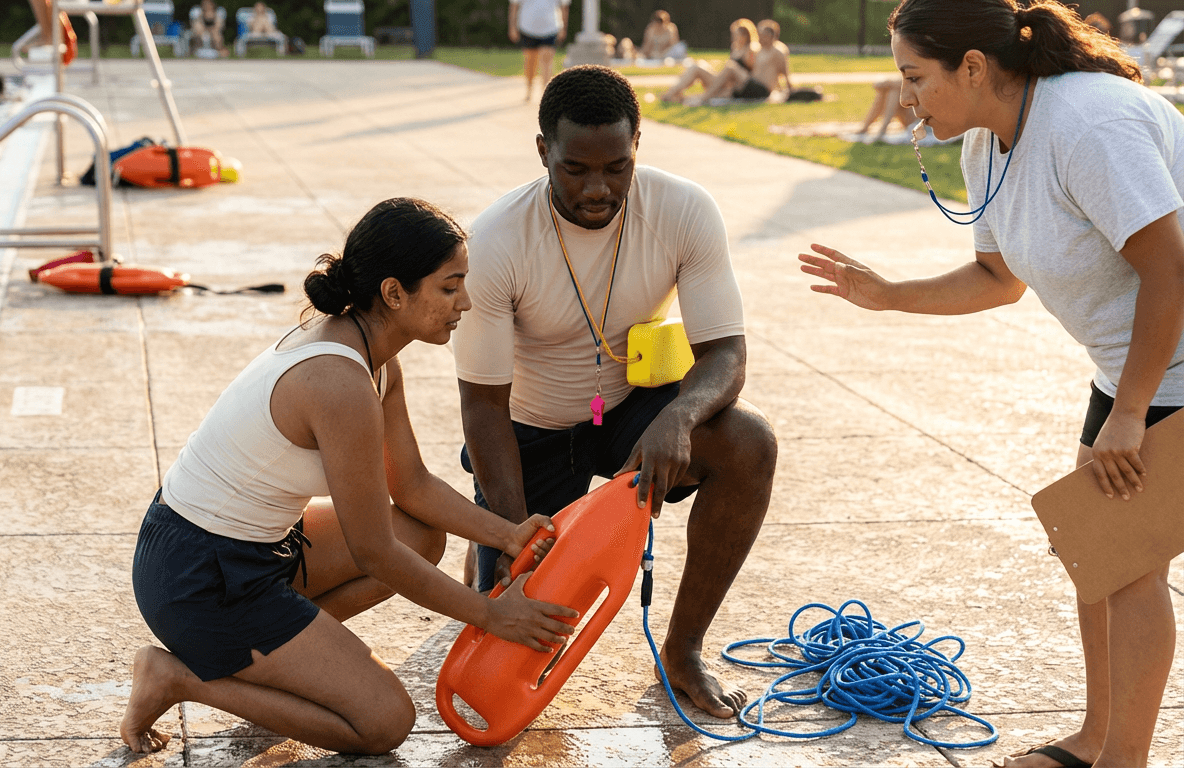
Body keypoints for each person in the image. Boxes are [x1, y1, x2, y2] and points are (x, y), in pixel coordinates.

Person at [800, 1, 1184, 766]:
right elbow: (996, 277)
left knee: (1127, 564)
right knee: (1095, 554)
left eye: (915, 77)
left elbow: (1171, 266)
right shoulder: (986, 140)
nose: (905, 98)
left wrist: (1132, 411)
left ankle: (1124, 761)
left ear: (973, 67)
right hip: (1133, 361)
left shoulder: (1088, 125)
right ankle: (1094, 740)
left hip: (1166, 361)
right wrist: (889, 293)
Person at [120, 198, 579, 756]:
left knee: (421, 533)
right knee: (383, 722)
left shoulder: (372, 354)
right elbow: (373, 553)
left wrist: (505, 534)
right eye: (449, 286)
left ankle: (277, 662)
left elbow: (410, 484)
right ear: (393, 293)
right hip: (198, 578)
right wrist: (490, 614)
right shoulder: (339, 382)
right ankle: (180, 678)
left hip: (252, 549)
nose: (467, 301)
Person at [453, 65, 778, 719]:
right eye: (575, 169)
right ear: (543, 151)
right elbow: (483, 406)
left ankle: (683, 652)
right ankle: (488, 529)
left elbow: (725, 354)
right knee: (522, 640)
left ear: (638, 145)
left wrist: (681, 416)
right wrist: (519, 535)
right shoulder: (493, 241)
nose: (598, 189)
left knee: (748, 442)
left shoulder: (683, 209)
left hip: (630, 407)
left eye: (617, 168)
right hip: (530, 426)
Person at [662, 18, 792, 105]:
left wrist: (788, 91)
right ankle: (673, 94)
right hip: (746, 85)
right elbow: (761, 71)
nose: (760, 37)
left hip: (758, 89)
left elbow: (782, 73)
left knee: (729, 68)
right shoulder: (761, 51)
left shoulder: (774, 51)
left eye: (763, 34)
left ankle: (701, 99)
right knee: (700, 67)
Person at [509, 0, 570, 102]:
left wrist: (564, 28)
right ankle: (529, 88)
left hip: (551, 28)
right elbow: (514, 5)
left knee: (547, 60)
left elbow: (564, 6)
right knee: (530, 61)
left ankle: (546, 93)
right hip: (527, 28)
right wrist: (512, 27)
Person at [851, 78, 919, 143]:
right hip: (913, 118)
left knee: (895, 91)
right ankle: (867, 127)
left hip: (923, 122)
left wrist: (887, 83)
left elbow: (910, 84)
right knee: (888, 91)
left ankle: (881, 129)